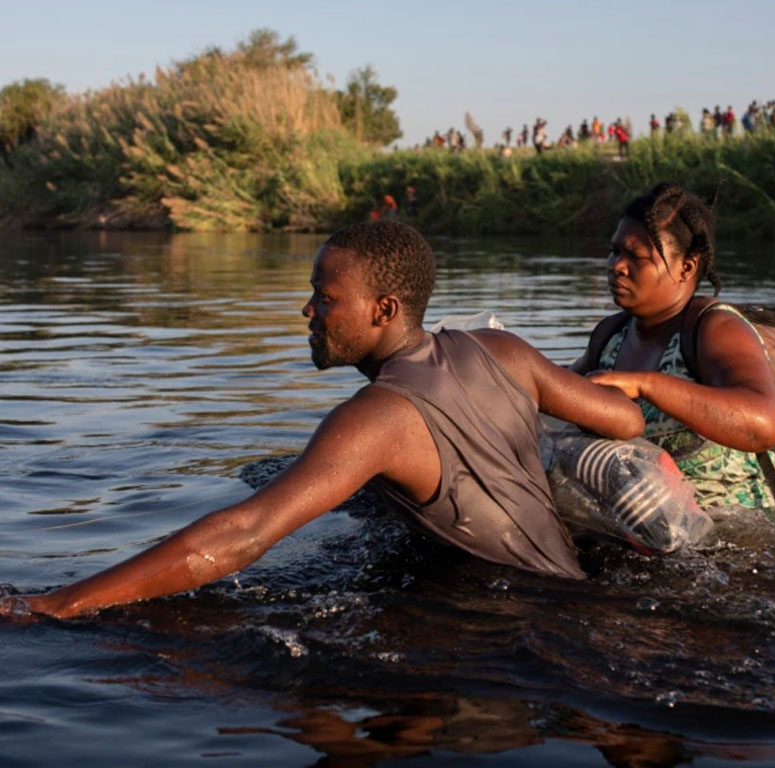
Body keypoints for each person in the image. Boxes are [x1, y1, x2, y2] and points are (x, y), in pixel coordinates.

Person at [3, 222, 644, 619]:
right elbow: (624, 421)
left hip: (508, 623)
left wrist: (58, 603)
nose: (308, 310)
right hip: (573, 588)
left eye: (326, 297)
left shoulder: (373, 419)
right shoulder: (499, 350)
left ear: (383, 308)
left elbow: (243, 534)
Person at [571, 182, 775, 510]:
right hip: (658, 528)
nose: (616, 266)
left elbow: (763, 425)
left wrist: (645, 384)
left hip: (755, 534)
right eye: (614, 251)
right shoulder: (611, 336)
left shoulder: (714, 329)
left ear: (687, 267)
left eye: (635, 257)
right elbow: (565, 392)